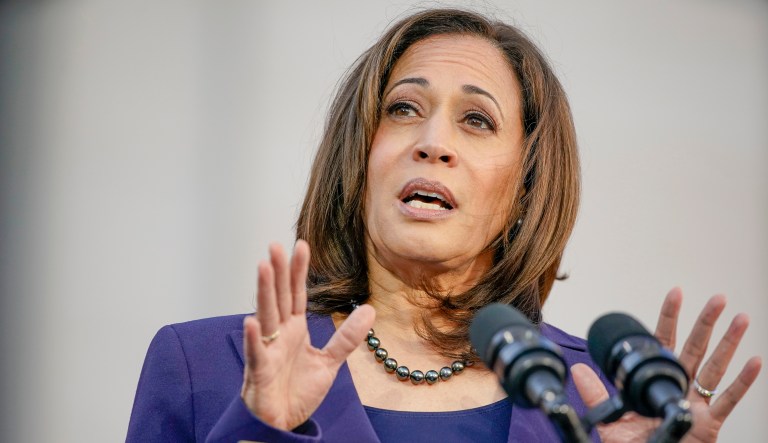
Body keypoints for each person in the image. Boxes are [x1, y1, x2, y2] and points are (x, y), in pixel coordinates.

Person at [126, 8, 761, 442]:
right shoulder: (204, 368)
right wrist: (259, 428)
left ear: (525, 187)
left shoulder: (596, 400)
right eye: (404, 108)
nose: (432, 142)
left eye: (476, 120)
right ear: (360, 160)